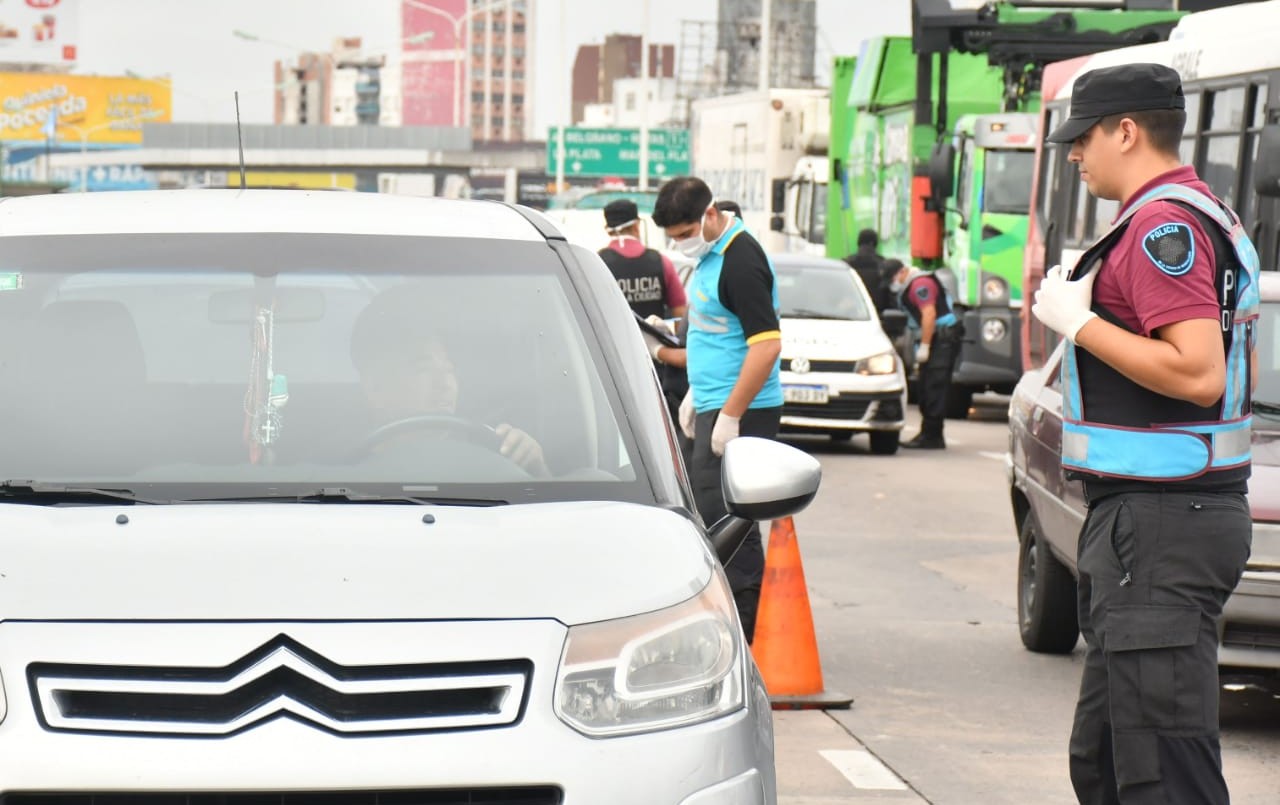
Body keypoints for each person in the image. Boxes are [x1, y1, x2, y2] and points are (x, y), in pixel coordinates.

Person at [1032, 63, 1257, 805]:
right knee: (1103, 758)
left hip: (1162, 523)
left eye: (1081, 138)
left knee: (1163, 773)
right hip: (1153, 519)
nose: (1072, 154)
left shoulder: (1164, 227)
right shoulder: (1192, 212)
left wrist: (1082, 324)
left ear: (1125, 131)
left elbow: (1198, 374)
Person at [651, 176, 782, 644]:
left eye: (684, 233)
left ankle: (745, 635)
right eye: (673, 238)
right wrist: (669, 342)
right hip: (713, 402)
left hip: (741, 410)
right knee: (707, 516)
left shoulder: (741, 261)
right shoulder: (709, 259)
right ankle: (726, 624)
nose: (680, 244)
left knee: (731, 525)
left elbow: (765, 347)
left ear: (710, 215)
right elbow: (712, 334)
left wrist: (730, 414)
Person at [350, 290, 549, 477]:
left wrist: (535, 470)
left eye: (449, 369)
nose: (445, 384)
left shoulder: (492, 455)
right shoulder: (338, 471)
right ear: (376, 388)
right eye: (424, 369)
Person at [599, 198, 690, 423]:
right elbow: (681, 317)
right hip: (655, 367)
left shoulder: (597, 263)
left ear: (606, 228)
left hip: (612, 363)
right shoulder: (661, 262)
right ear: (638, 225)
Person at [889, 261, 962, 449]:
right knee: (926, 386)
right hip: (937, 338)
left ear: (903, 271)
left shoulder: (920, 285)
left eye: (894, 277)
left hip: (942, 340)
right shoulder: (913, 284)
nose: (894, 282)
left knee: (934, 386)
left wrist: (925, 346)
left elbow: (929, 314)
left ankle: (932, 436)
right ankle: (930, 433)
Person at [845, 228, 891, 313]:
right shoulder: (884, 264)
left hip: (850, 312)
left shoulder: (846, 264)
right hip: (878, 314)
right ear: (874, 243)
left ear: (859, 242)